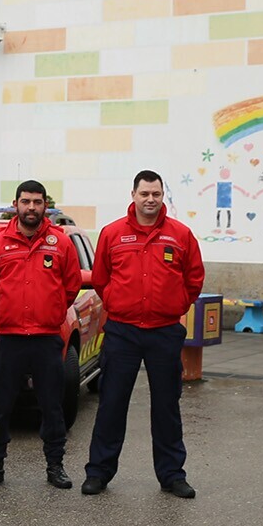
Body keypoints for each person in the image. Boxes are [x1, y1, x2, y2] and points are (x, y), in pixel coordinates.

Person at [83, 170, 205, 499]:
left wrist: (176, 303)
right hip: (122, 332)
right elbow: (100, 278)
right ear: (133, 195)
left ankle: (172, 475)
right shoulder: (112, 233)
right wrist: (115, 302)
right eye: (144, 194)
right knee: (111, 403)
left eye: (156, 194)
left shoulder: (180, 235)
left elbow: (194, 278)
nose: (150, 200)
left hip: (164, 332)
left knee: (167, 406)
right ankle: (98, 472)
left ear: (163, 196)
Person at [0, 181, 81, 490]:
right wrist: (4, 309)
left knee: (52, 405)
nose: (31, 207)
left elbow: (71, 285)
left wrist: (49, 311)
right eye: (26, 201)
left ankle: (55, 465)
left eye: (37, 202)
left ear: (45, 205)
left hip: (47, 338)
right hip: (9, 338)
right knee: (0, 405)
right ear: (15, 204)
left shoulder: (60, 243)